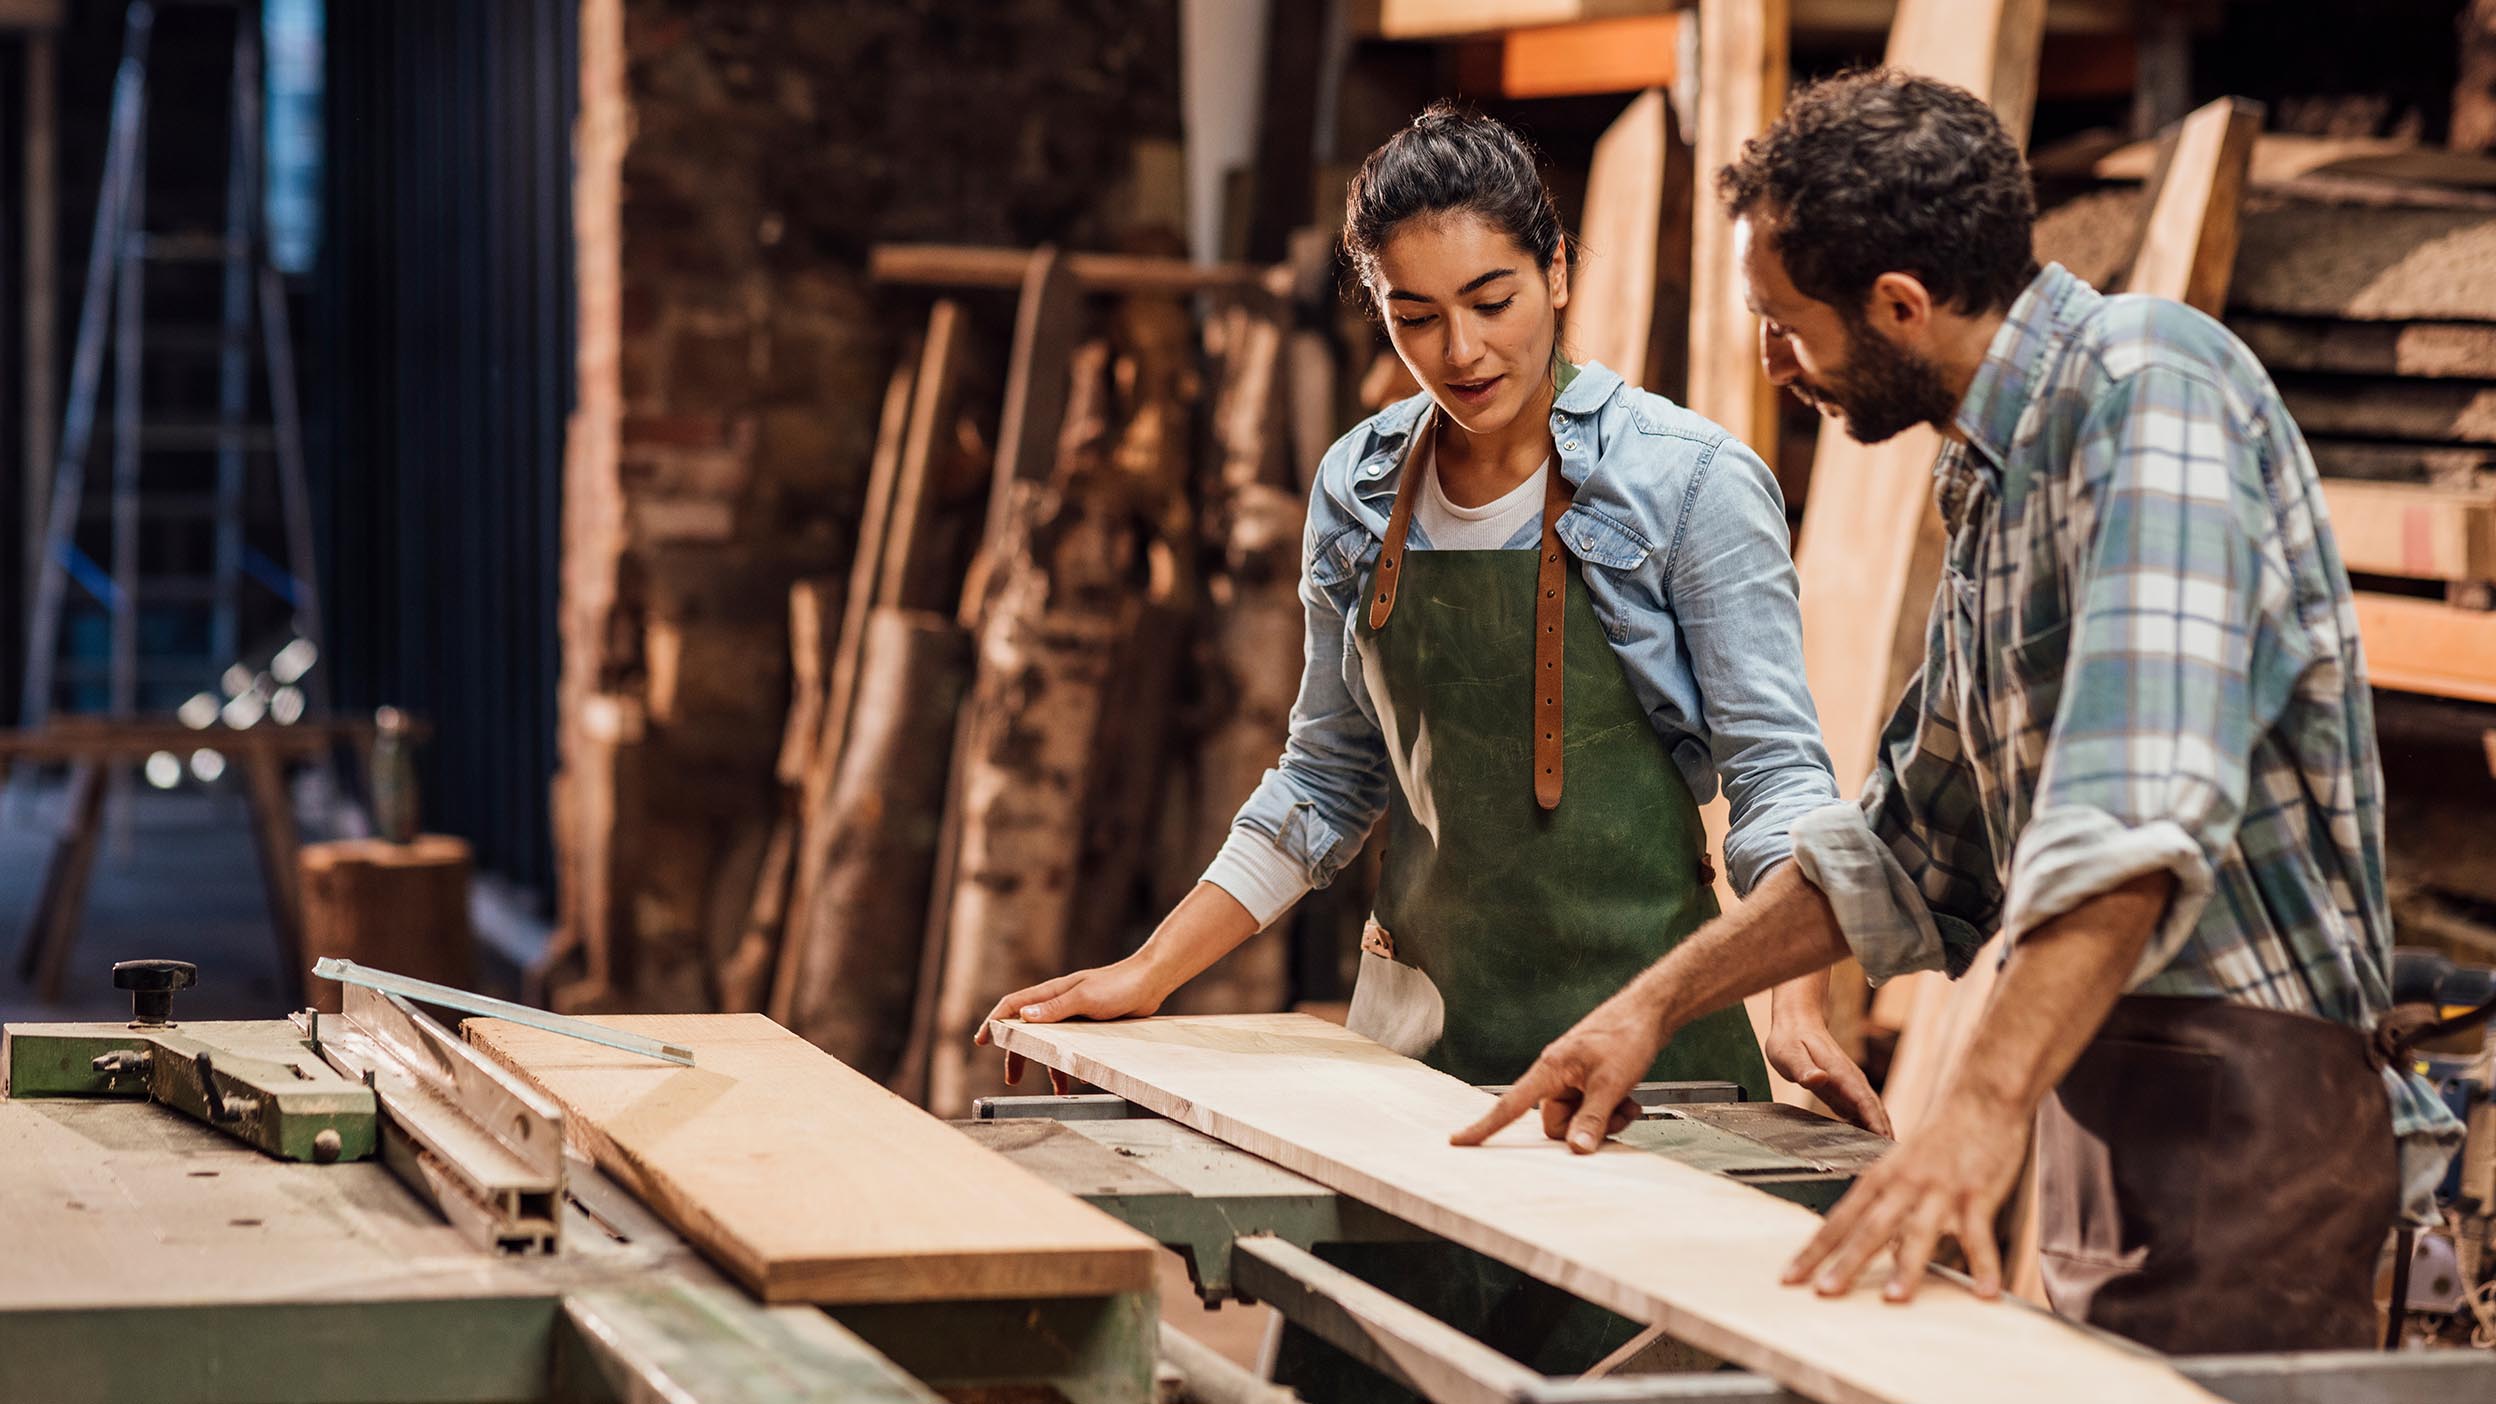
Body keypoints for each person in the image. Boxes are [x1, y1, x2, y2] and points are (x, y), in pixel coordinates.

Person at [1455, 69, 2465, 1355]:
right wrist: (1649, 1007)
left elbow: (2132, 831)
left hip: (2257, 1102)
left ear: (1900, 307)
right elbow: (1907, 847)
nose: (1772, 361)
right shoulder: (1993, 473)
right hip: (2119, 1083)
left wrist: (1976, 1111)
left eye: (1785, 325)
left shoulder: (2147, 393)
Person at [976, 103, 1865, 1377]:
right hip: (1412, 1084)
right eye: (1415, 316)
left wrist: (1796, 991)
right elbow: (1327, 780)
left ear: (1559, 271)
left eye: (1494, 298)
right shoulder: (1356, 488)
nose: (1461, 348)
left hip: (1645, 1082)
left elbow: (1780, 777)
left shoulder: (1688, 482)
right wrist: (1149, 973)